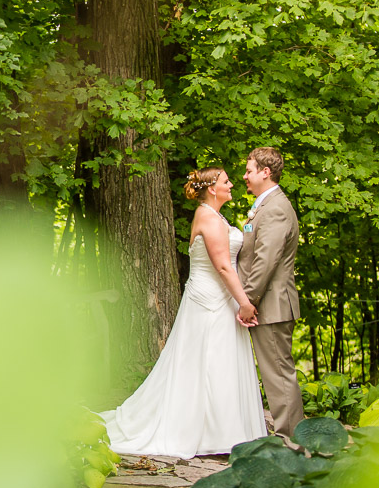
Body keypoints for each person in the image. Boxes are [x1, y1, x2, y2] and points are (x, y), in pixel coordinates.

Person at [98, 168, 267, 458]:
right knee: (209, 361)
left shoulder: (216, 217)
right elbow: (224, 266)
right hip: (210, 299)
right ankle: (208, 433)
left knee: (218, 361)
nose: (231, 185)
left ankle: (224, 431)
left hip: (219, 297)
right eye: (226, 182)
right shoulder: (208, 218)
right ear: (212, 188)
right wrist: (245, 303)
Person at [237, 147, 305, 439]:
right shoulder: (263, 206)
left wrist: (248, 300)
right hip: (267, 303)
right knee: (275, 373)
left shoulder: (276, 208)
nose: (245, 176)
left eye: (249, 170)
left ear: (266, 172)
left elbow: (266, 259)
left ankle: (292, 440)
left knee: (278, 373)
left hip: (271, 304)